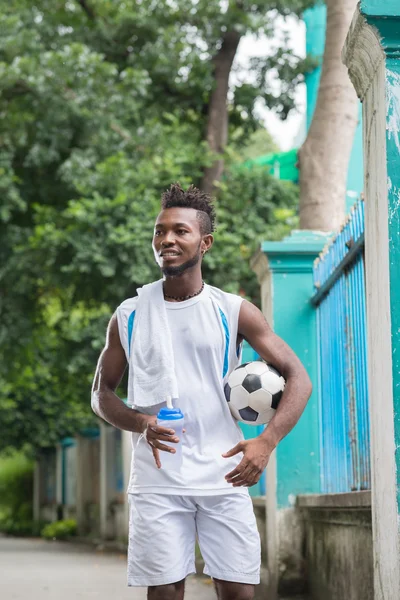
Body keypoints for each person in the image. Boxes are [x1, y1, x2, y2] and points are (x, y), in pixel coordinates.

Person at [91, 183, 312, 600]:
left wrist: (266, 441)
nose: (167, 240)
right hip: (159, 478)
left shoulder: (233, 310)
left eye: (180, 231)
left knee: (239, 592)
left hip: (224, 474)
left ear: (205, 242)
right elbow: (100, 394)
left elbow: (298, 377)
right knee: (166, 592)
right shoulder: (130, 314)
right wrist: (141, 422)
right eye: (160, 231)